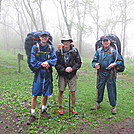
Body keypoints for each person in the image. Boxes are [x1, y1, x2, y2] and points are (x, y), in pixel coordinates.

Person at [27, 31, 57, 125]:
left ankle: (43, 110)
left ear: (48, 37)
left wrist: (48, 62)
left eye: (46, 36)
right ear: (40, 37)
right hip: (39, 72)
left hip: (47, 72)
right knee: (35, 93)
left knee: (46, 92)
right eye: (42, 36)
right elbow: (32, 60)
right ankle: (32, 113)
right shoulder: (35, 47)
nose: (44, 38)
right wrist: (41, 64)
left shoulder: (50, 47)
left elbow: (54, 59)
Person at [90, 35, 124, 114]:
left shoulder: (114, 51)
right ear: (102, 42)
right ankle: (98, 103)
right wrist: (95, 65)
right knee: (99, 88)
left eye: (107, 41)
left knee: (111, 90)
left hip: (111, 74)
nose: (105, 42)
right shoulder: (98, 51)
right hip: (101, 73)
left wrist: (114, 64)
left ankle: (113, 106)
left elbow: (120, 61)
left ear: (109, 42)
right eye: (104, 41)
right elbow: (94, 61)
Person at [55, 35, 82, 115]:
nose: (66, 43)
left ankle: (73, 107)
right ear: (62, 42)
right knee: (61, 90)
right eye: (64, 41)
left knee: (73, 91)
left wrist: (72, 69)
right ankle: (60, 107)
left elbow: (78, 63)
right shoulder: (59, 52)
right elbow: (56, 63)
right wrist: (64, 69)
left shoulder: (75, 51)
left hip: (72, 74)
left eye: (68, 41)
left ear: (70, 42)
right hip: (62, 74)